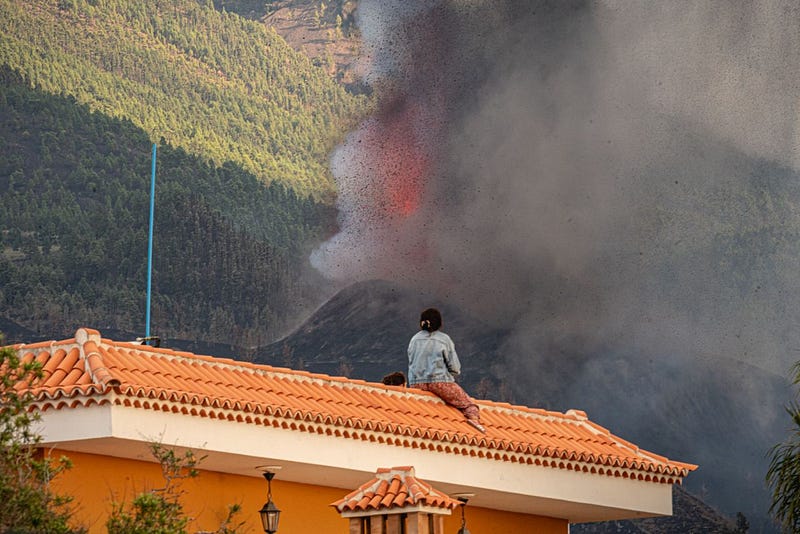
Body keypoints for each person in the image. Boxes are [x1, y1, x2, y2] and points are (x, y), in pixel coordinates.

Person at [407, 308, 485, 433]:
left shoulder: (414, 339)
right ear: (439, 322)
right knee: (469, 405)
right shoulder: (444, 339)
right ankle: (474, 421)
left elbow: (411, 360)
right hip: (439, 382)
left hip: (416, 383)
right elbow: (455, 368)